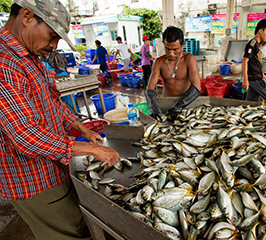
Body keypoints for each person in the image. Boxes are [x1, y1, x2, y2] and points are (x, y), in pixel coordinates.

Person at [0, 1, 119, 239]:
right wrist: (91, 149)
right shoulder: (5, 64)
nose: (54, 45)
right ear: (26, 16)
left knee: (80, 224)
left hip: (53, 168)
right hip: (34, 179)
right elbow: (24, 135)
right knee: (69, 233)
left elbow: (51, 103)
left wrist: (81, 128)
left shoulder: (28, 56)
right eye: (52, 35)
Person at [145, 26, 201, 121]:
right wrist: (153, 107)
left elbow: (196, 86)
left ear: (183, 45)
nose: (171, 54)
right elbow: (150, 87)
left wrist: (178, 107)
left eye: (175, 49)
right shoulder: (159, 62)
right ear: (163, 44)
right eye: (167, 49)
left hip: (185, 105)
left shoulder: (189, 59)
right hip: (167, 103)